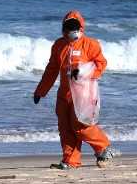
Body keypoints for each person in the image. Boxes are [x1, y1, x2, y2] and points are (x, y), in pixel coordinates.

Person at [33, 11, 116, 169]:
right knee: (65, 127)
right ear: (63, 29)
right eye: (68, 28)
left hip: (83, 94)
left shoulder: (90, 44)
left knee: (81, 126)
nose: (72, 32)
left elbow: (101, 64)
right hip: (64, 95)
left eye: (75, 28)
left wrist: (83, 71)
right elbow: (51, 70)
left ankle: (104, 148)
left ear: (81, 28)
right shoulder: (59, 45)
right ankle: (70, 161)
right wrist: (40, 91)